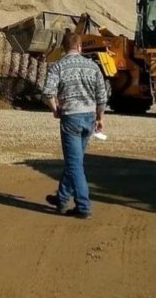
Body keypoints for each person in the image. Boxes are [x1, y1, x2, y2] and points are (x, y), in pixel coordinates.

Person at [41, 31, 107, 218]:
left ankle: (83, 207)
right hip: (89, 117)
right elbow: (102, 95)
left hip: (71, 118)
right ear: (80, 47)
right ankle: (61, 199)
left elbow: (47, 92)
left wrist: (55, 109)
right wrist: (100, 117)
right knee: (75, 162)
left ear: (63, 48)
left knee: (74, 164)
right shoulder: (93, 66)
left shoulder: (58, 66)